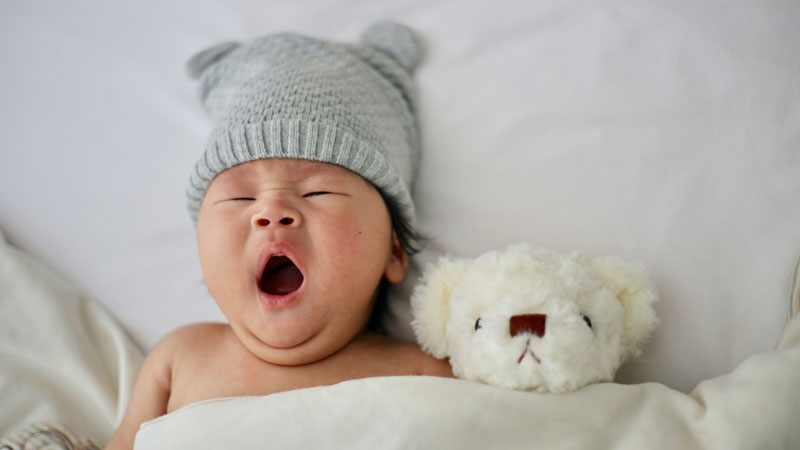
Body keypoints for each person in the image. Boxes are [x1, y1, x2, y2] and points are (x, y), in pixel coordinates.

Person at [105, 21, 452, 449]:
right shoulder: (179, 359)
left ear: (394, 252)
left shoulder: (424, 374)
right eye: (239, 198)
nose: (271, 211)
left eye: (317, 190)